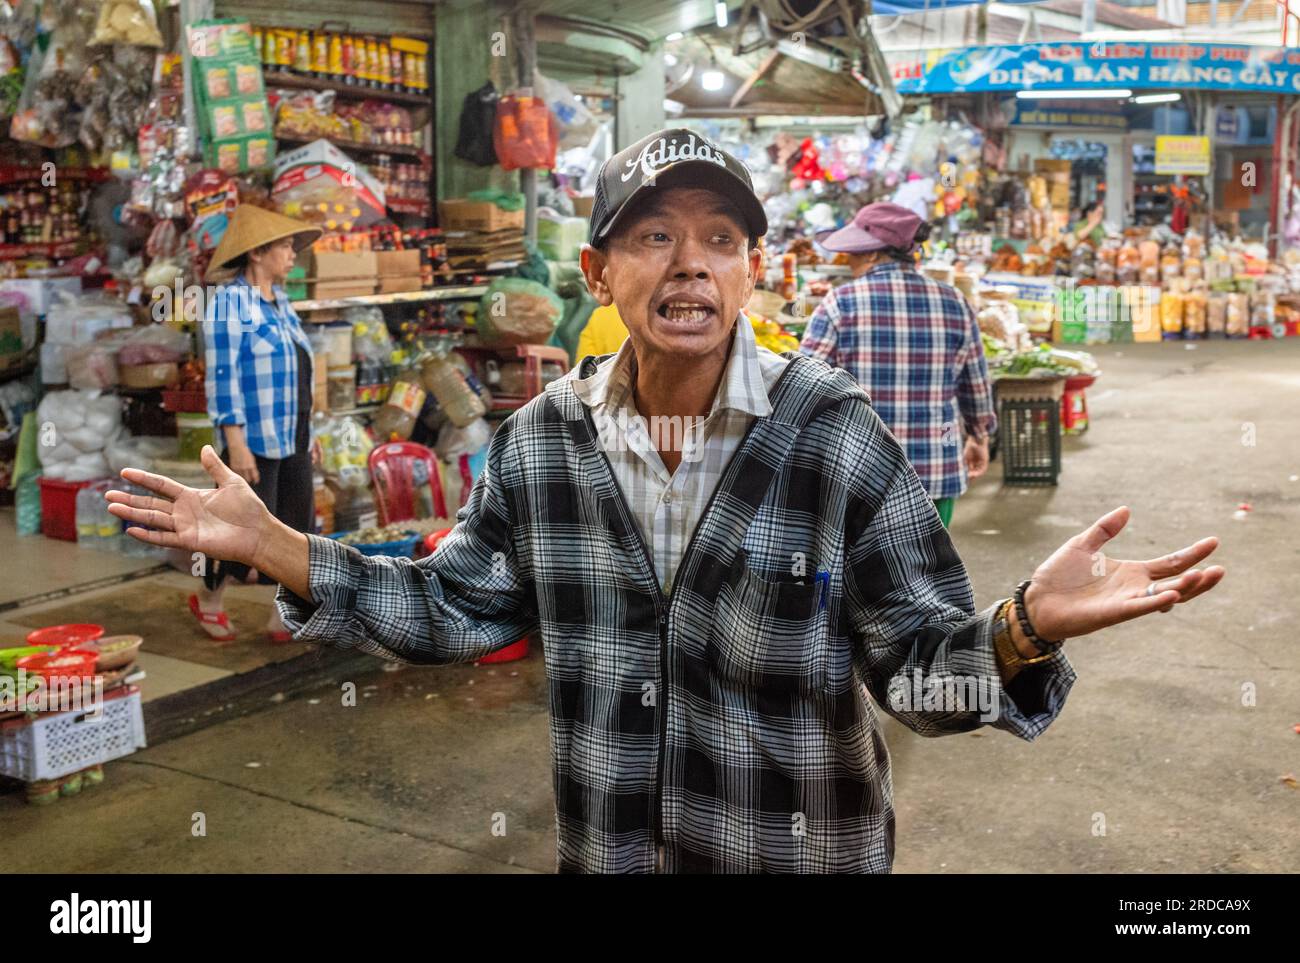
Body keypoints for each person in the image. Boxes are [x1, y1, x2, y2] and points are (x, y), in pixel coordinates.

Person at [107, 128, 1225, 874]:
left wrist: (1020, 629)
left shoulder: (833, 433)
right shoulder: (540, 443)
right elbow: (459, 608)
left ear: (752, 274)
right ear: (598, 275)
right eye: (653, 237)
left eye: (719, 241)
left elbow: (916, 672)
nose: (688, 265)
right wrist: (290, 552)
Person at [799, 202, 994, 527]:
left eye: (853, 251)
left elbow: (806, 386)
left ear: (874, 253)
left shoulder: (840, 302)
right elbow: (975, 387)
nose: (847, 259)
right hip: (936, 467)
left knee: (858, 576)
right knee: (928, 572)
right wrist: (979, 436)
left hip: (857, 475)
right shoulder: (955, 303)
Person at [191, 205, 321, 643]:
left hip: (294, 435)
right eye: (285, 246)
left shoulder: (281, 302)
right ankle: (209, 599)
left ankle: (281, 614)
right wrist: (236, 441)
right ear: (258, 253)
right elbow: (222, 375)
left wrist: (311, 434)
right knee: (239, 533)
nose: (292, 254)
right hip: (253, 439)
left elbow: (298, 371)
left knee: (293, 528)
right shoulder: (231, 303)